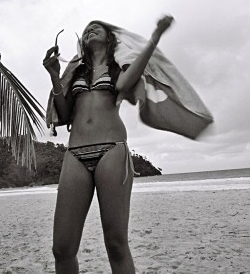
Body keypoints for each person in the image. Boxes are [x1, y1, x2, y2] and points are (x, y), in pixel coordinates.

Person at [42, 15, 174, 274]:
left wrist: (155, 37)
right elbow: (65, 112)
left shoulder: (117, 68)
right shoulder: (76, 71)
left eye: (97, 27)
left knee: (115, 244)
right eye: (87, 28)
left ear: (109, 37)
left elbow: (126, 83)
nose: (90, 28)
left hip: (111, 150)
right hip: (76, 153)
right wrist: (55, 75)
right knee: (62, 248)